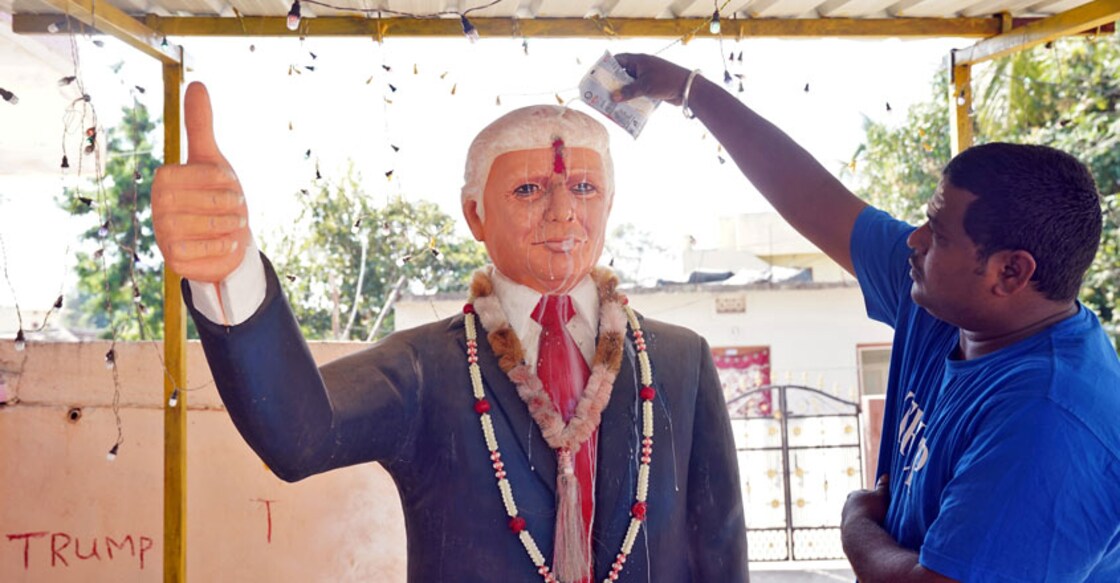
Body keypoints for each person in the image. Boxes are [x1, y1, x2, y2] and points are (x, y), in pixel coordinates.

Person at [151, 82, 749, 582]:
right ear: (474, 216)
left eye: (585, 187)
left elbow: (720, 550)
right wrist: (231, 271)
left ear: (611, 204)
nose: (564, 211)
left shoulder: (679, 362)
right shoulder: (425, 366)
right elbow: (298, 435)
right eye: (529, 189)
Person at [612, 53, 1120, 582]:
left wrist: (857, 528)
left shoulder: (1049, 419)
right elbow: (814, 200)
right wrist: (691, 90)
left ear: (1011, 272)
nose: (916, 241)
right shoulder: (949, 307)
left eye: (938, 234)